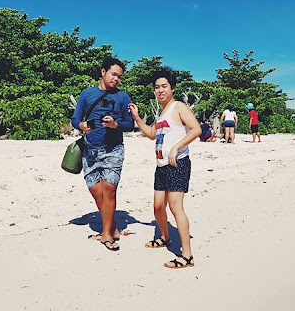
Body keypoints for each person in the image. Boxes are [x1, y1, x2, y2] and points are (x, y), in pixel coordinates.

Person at [128, 69, 201, 269]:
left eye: (164, 86)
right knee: (158, 207)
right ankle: (165, 236)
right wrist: (137, 118)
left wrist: (177, 147)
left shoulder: (179, 107)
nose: (160, 90)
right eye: (157, 87)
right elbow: (152, 134)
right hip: (161, 166)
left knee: (176, 208)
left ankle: (187, 255)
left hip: (177, 164)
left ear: (172, 88)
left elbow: (196, 129)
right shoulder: (161, 113)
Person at [71, 57, 134, 251]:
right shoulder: (87, 94)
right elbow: (75, 118)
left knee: (109, 190)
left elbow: (130, 125)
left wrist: (116, 124)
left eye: (120, 77)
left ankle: (107, 235)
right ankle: (113, 228)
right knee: (96, 192)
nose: (117, 79)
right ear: (103, 72)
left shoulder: (123, 97)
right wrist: (81, 125)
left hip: (113, 149)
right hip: (90, 150)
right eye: (114, 74)